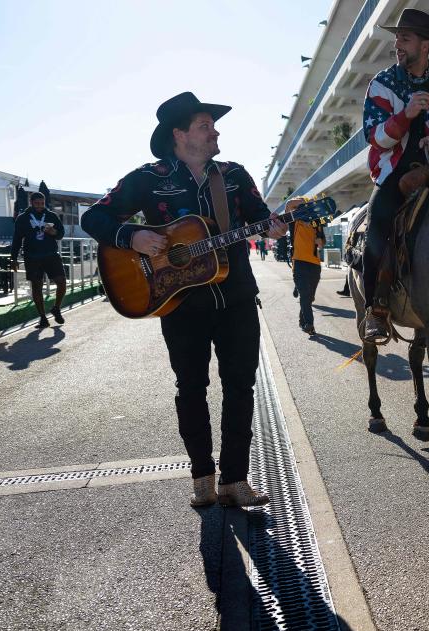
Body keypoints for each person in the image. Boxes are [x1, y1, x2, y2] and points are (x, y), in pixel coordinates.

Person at [81, 91, 287, 508]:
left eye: (212, 125)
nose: (215, 131)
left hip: (237, 299)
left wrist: (275, 228)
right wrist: (134, 236)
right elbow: (94, 217)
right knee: (191, 387)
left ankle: (234, 479)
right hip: (178, 303)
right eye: (204, 125)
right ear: (179, 134)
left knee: (241, 388)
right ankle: (201, 477)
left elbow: (263, 221)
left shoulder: (233, 175)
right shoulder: (148, 178)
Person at [361, 8, 429, 341]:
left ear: (425, 46)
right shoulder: (381, 84)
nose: (398, 45)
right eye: (397, 38)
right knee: (377, 224)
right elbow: (375, 136)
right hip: (393, 173)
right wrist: (405, 115)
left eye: (404, 39)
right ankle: (375, 309)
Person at [11, 192, 66, 328]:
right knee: (37, 287)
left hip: (51, 255)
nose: (40, 206)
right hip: (32, 257)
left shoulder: (51, 215)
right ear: (31, 203)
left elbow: (61, 234)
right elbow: (17, 239)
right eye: (37, 203)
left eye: (42, 203)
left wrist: (54, 233)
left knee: (62, 282)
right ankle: (42, 317)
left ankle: (56, 308)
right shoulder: (22, 218)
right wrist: (13, 258)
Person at [285, 199, 326, 335]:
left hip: (315, 264)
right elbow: (288, 205)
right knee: (305, 295)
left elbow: (322, 243)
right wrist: (306, 201)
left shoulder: (317, 223)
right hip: (299, 262)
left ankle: (303, 320)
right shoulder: (294, 221)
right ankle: (310, 324)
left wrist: (320, 242)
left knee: (309, 297)